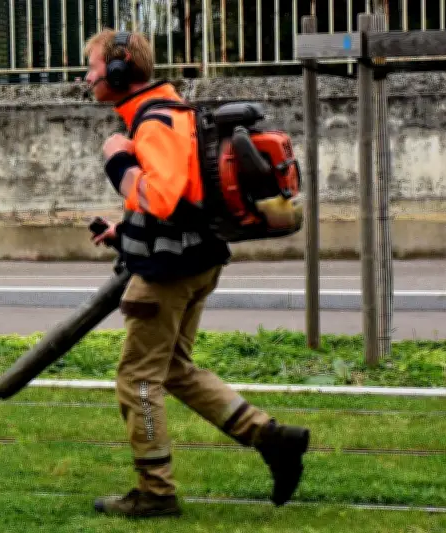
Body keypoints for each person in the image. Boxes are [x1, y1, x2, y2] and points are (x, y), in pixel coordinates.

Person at [83, 29, 311, 518]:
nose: (88, 75)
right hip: (194, 260)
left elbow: (161, 196)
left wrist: (116, 158)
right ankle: (273, 439)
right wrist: (125, 232)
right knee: (172, 370)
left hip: (167, 275)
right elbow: (181, 202)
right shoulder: (173, 109)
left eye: (93, 66)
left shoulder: (154, 120)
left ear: (120, 72)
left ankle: (156, 492)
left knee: (136, 380)